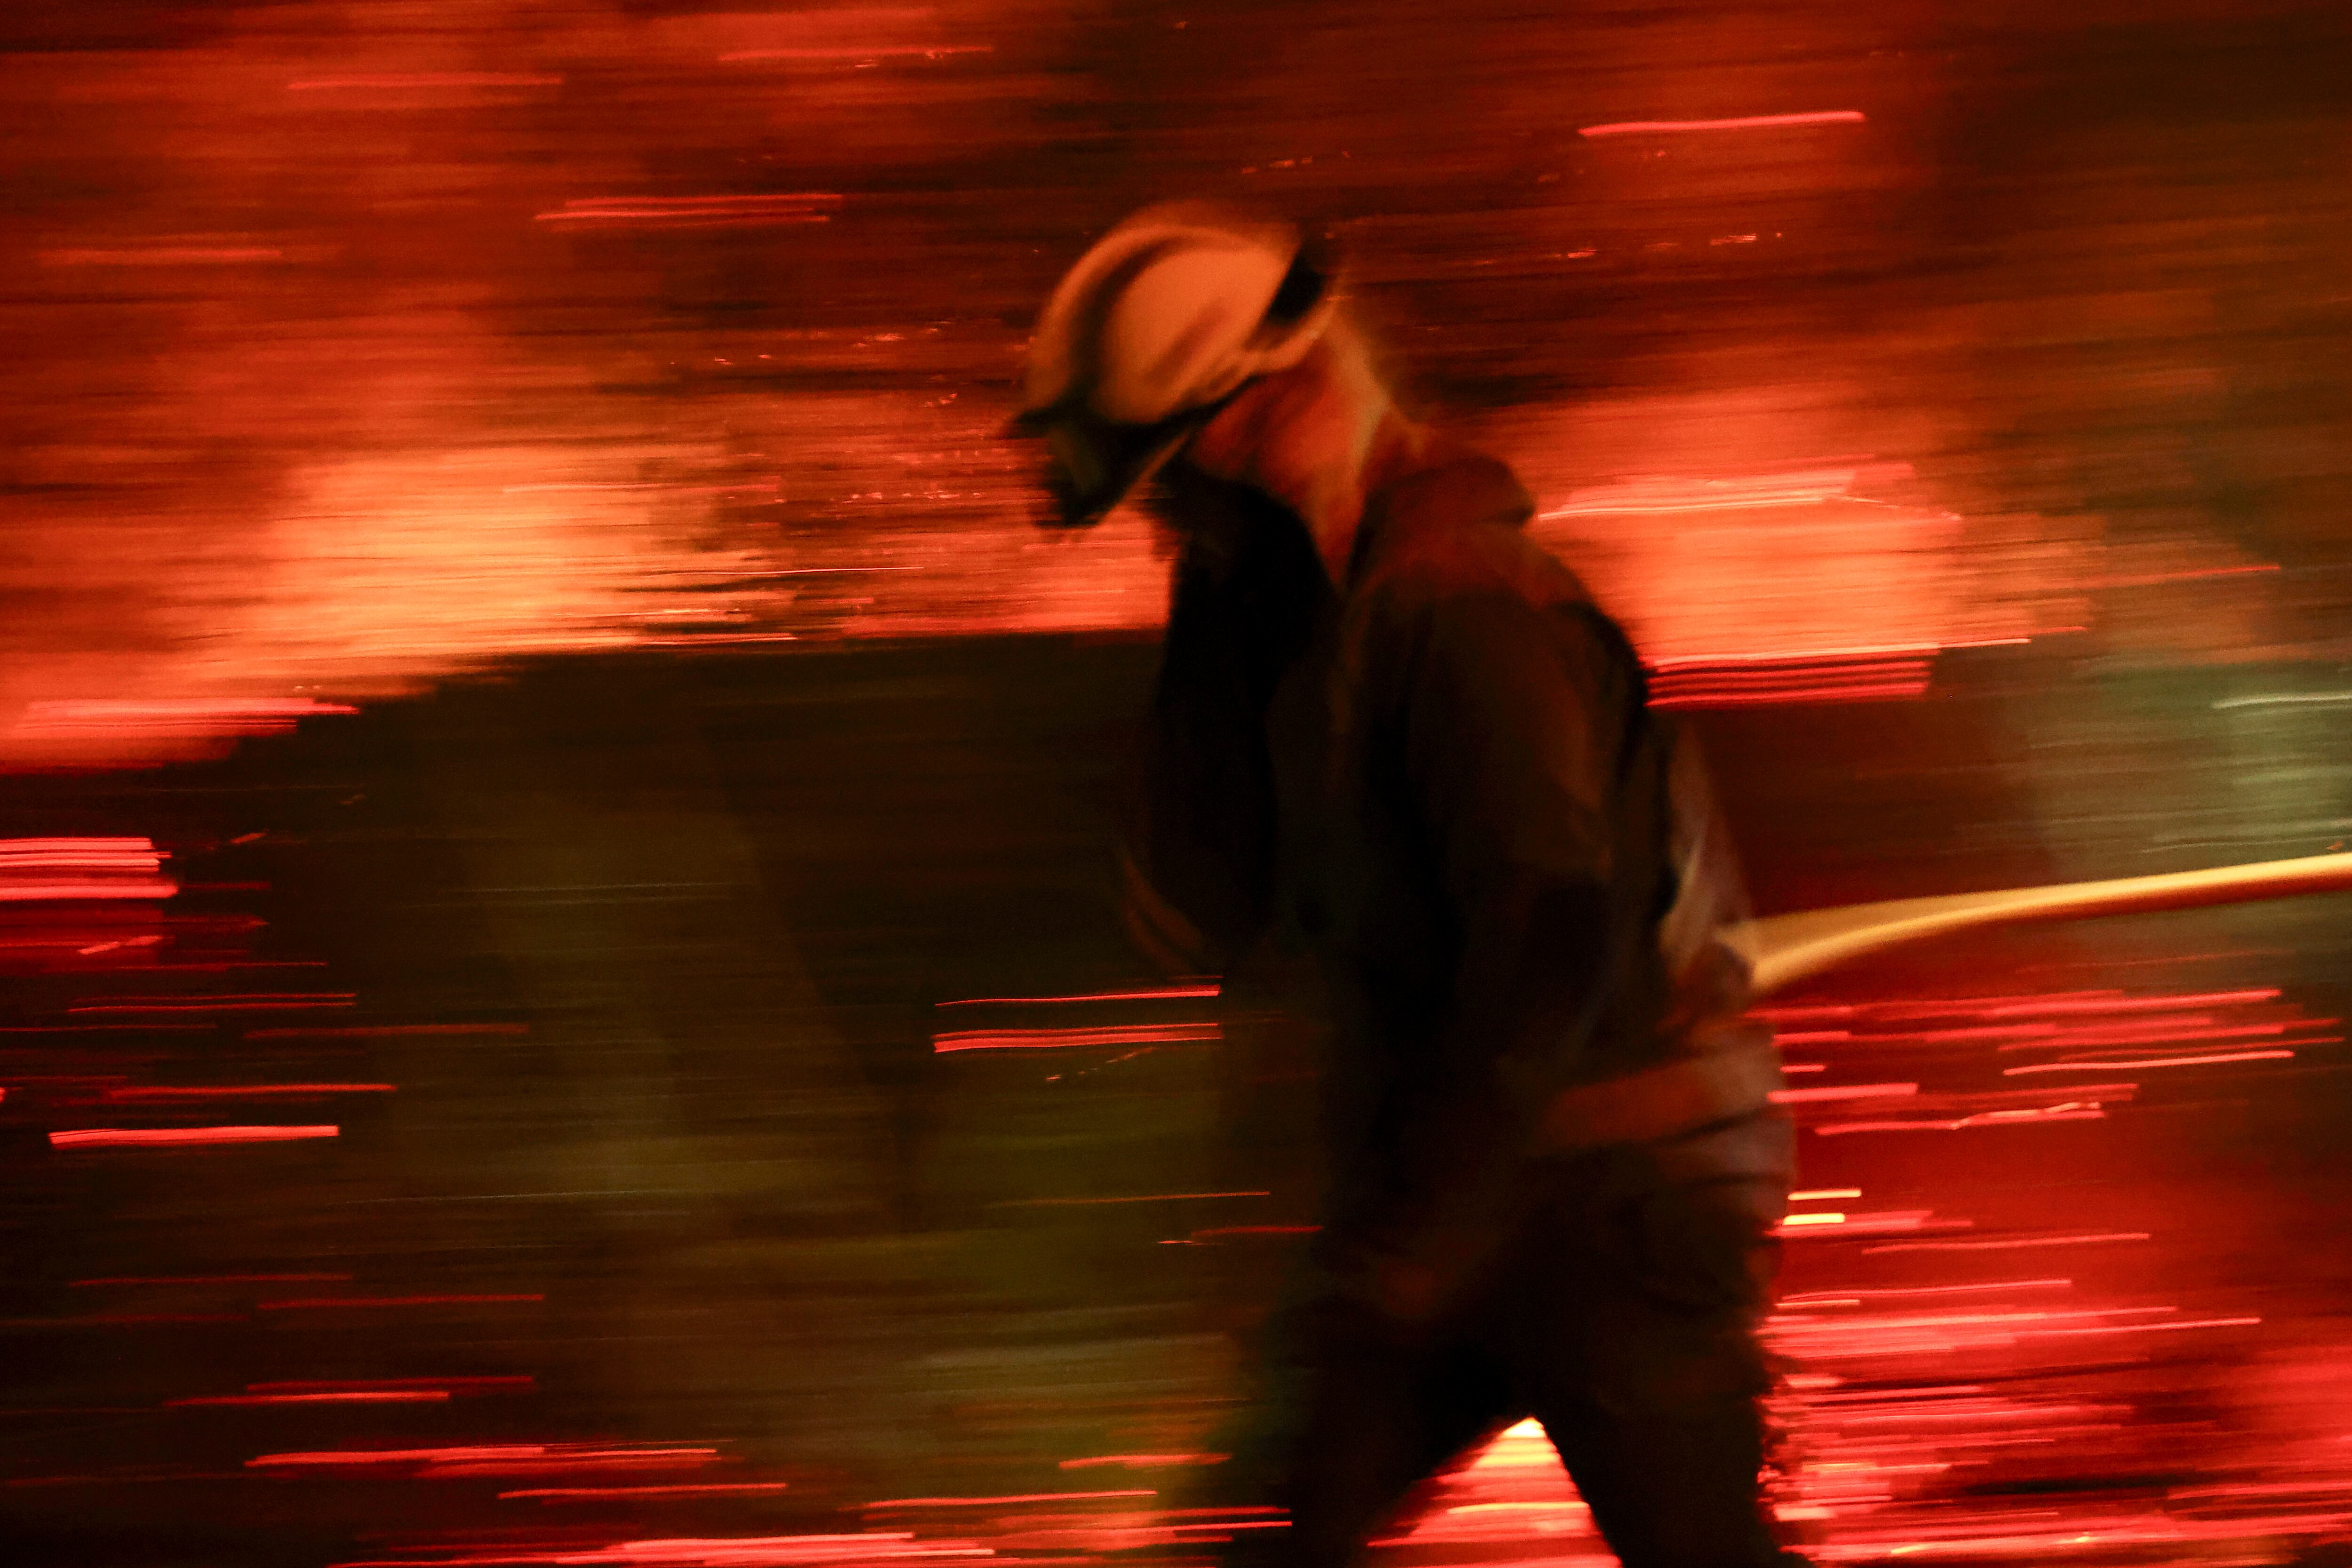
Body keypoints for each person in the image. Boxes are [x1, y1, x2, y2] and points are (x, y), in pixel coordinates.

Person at [1011, 203, 1804, 1568]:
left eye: (1173, 477)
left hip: (1610, 1211)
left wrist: (1414, 1244)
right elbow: (1204, 902)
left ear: (1276, 409)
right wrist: (1224, 613)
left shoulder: (1466, 612)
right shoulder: (1330, 623)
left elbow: (1550, 934)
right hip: (1454, 1203)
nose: (1164, 515)